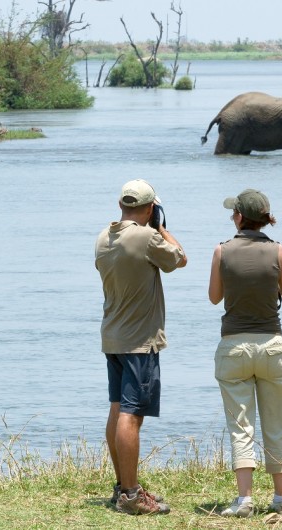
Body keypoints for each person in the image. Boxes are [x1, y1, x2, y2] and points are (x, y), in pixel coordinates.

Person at [95, 179, 187, 515]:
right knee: (132, 416)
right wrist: (161, 227)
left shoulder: (103, 238)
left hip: (113, 336)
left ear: (121, 205)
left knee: (118, 408)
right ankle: (132, 496)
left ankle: (123, 487)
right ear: (149, 208)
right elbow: (180, 259)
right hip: (139, 341)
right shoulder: (147, 236)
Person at [208, 189, 282, 518]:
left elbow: (214, 297)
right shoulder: (278, 251)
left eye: (234, 212)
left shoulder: (221, 250)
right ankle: (279, 499)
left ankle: (244, 499)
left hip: (234, 344)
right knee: (277, 422)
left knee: (240, 425)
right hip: (271, 343)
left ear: (240, 218)